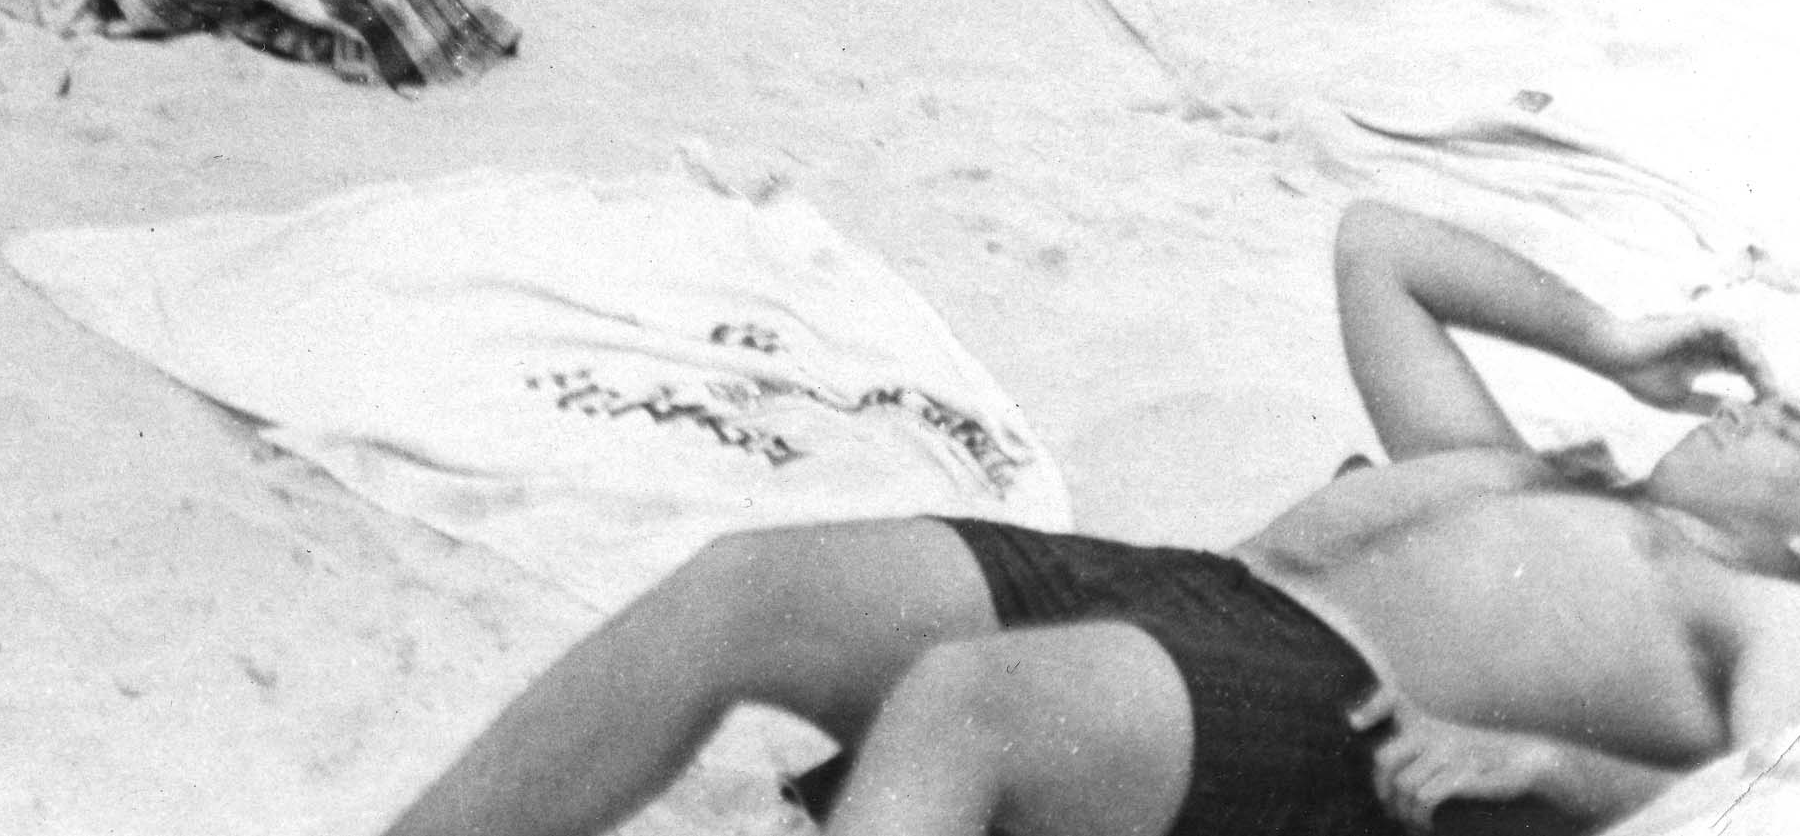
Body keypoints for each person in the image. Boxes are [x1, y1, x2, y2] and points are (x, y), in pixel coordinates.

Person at [376, 195, 1800, 836]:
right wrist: (1611, 337)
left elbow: (1758, 805)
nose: (1768, 404)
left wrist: (1550, 764)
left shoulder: (1758, 609)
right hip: (1167, 599)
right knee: (748, 586)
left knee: (965, 705)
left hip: (1319, 711)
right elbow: (1380, 246)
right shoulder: (1531, 477)